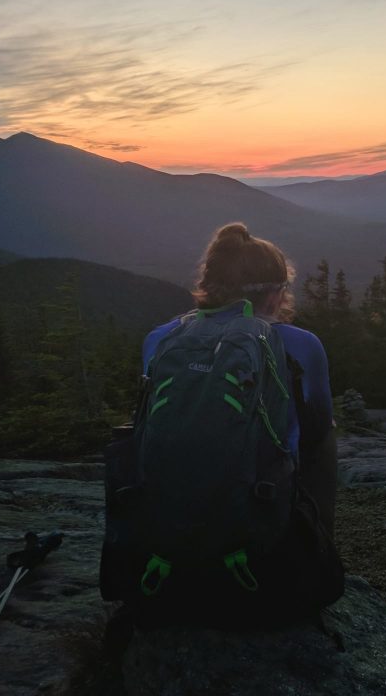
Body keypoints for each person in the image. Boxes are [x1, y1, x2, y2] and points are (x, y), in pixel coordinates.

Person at [141, 222, 338, 536]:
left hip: (169, 500)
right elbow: (319, 423)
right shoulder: (302, 345)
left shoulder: (161, 339)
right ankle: (316, 541)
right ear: (274, 294)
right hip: (260, 498)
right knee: (327, 433)